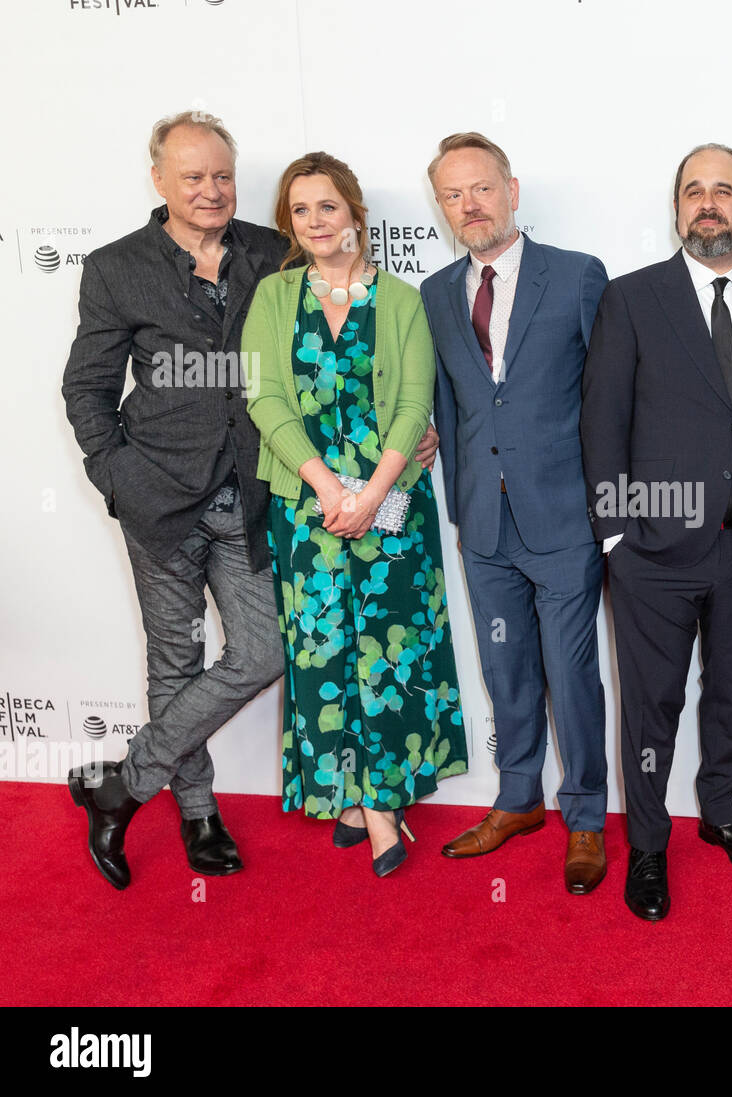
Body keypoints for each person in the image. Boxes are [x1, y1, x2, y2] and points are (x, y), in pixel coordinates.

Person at [581, 143, 732, 921]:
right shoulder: (631, 298)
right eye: (693, 191)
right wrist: (615, 535)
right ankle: (647, 843)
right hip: (651, 551)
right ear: (677, 209)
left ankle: (721, 811)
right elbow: (602, 420)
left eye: (723, 190)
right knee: (652, 704)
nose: (708, 203)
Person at [63, 111, 287, 889]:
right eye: (193, 177)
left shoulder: (270, 250)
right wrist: (116, 478)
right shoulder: (116, 266)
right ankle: (197, 811)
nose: (211, 189)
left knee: (264, 651)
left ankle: (123, 783)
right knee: (175, 660)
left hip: (249, 494)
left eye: (222, 174)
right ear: (159, 181)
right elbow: (86, 388)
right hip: (159, 499)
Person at [243, 152, 466, 877]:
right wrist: (327, 488)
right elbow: (265, 399)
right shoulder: (274, 297)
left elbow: (411, 406)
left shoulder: (399, 299)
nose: (316, 222)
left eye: (327, 207)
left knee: (392, 652)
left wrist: (370, 495)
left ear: (355, 212)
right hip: (307, 504)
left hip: (392, 497)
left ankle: (379, 801)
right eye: (301, 211)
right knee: (324, 652)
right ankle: (350, 795)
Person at [420, 133, 610, 894]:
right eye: (453, 195)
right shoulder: (435, 292)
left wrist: (611, 509)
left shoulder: (576, 276)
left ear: (512, 189)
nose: (470, 205)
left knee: (572, 672)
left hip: (565, 518)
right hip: (483, 524)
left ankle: (588, 815)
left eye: (482, 188)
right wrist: (459, 500)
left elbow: (608, 401)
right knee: (505, 670)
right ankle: (517, 798)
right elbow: (452, 405)